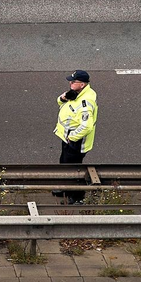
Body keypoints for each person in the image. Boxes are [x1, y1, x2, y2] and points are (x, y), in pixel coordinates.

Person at [54, 70, 97, 203]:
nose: (70, 83)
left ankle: (77, 196)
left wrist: (72, 138)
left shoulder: (85, 102)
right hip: (67, 137)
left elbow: (86, 126)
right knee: (64, 164)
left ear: (82, 84)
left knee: (74, 170)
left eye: (73, 82)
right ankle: (66, 188)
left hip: (75, 141)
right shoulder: (77, 93)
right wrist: (63, 98)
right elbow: (62, 104)